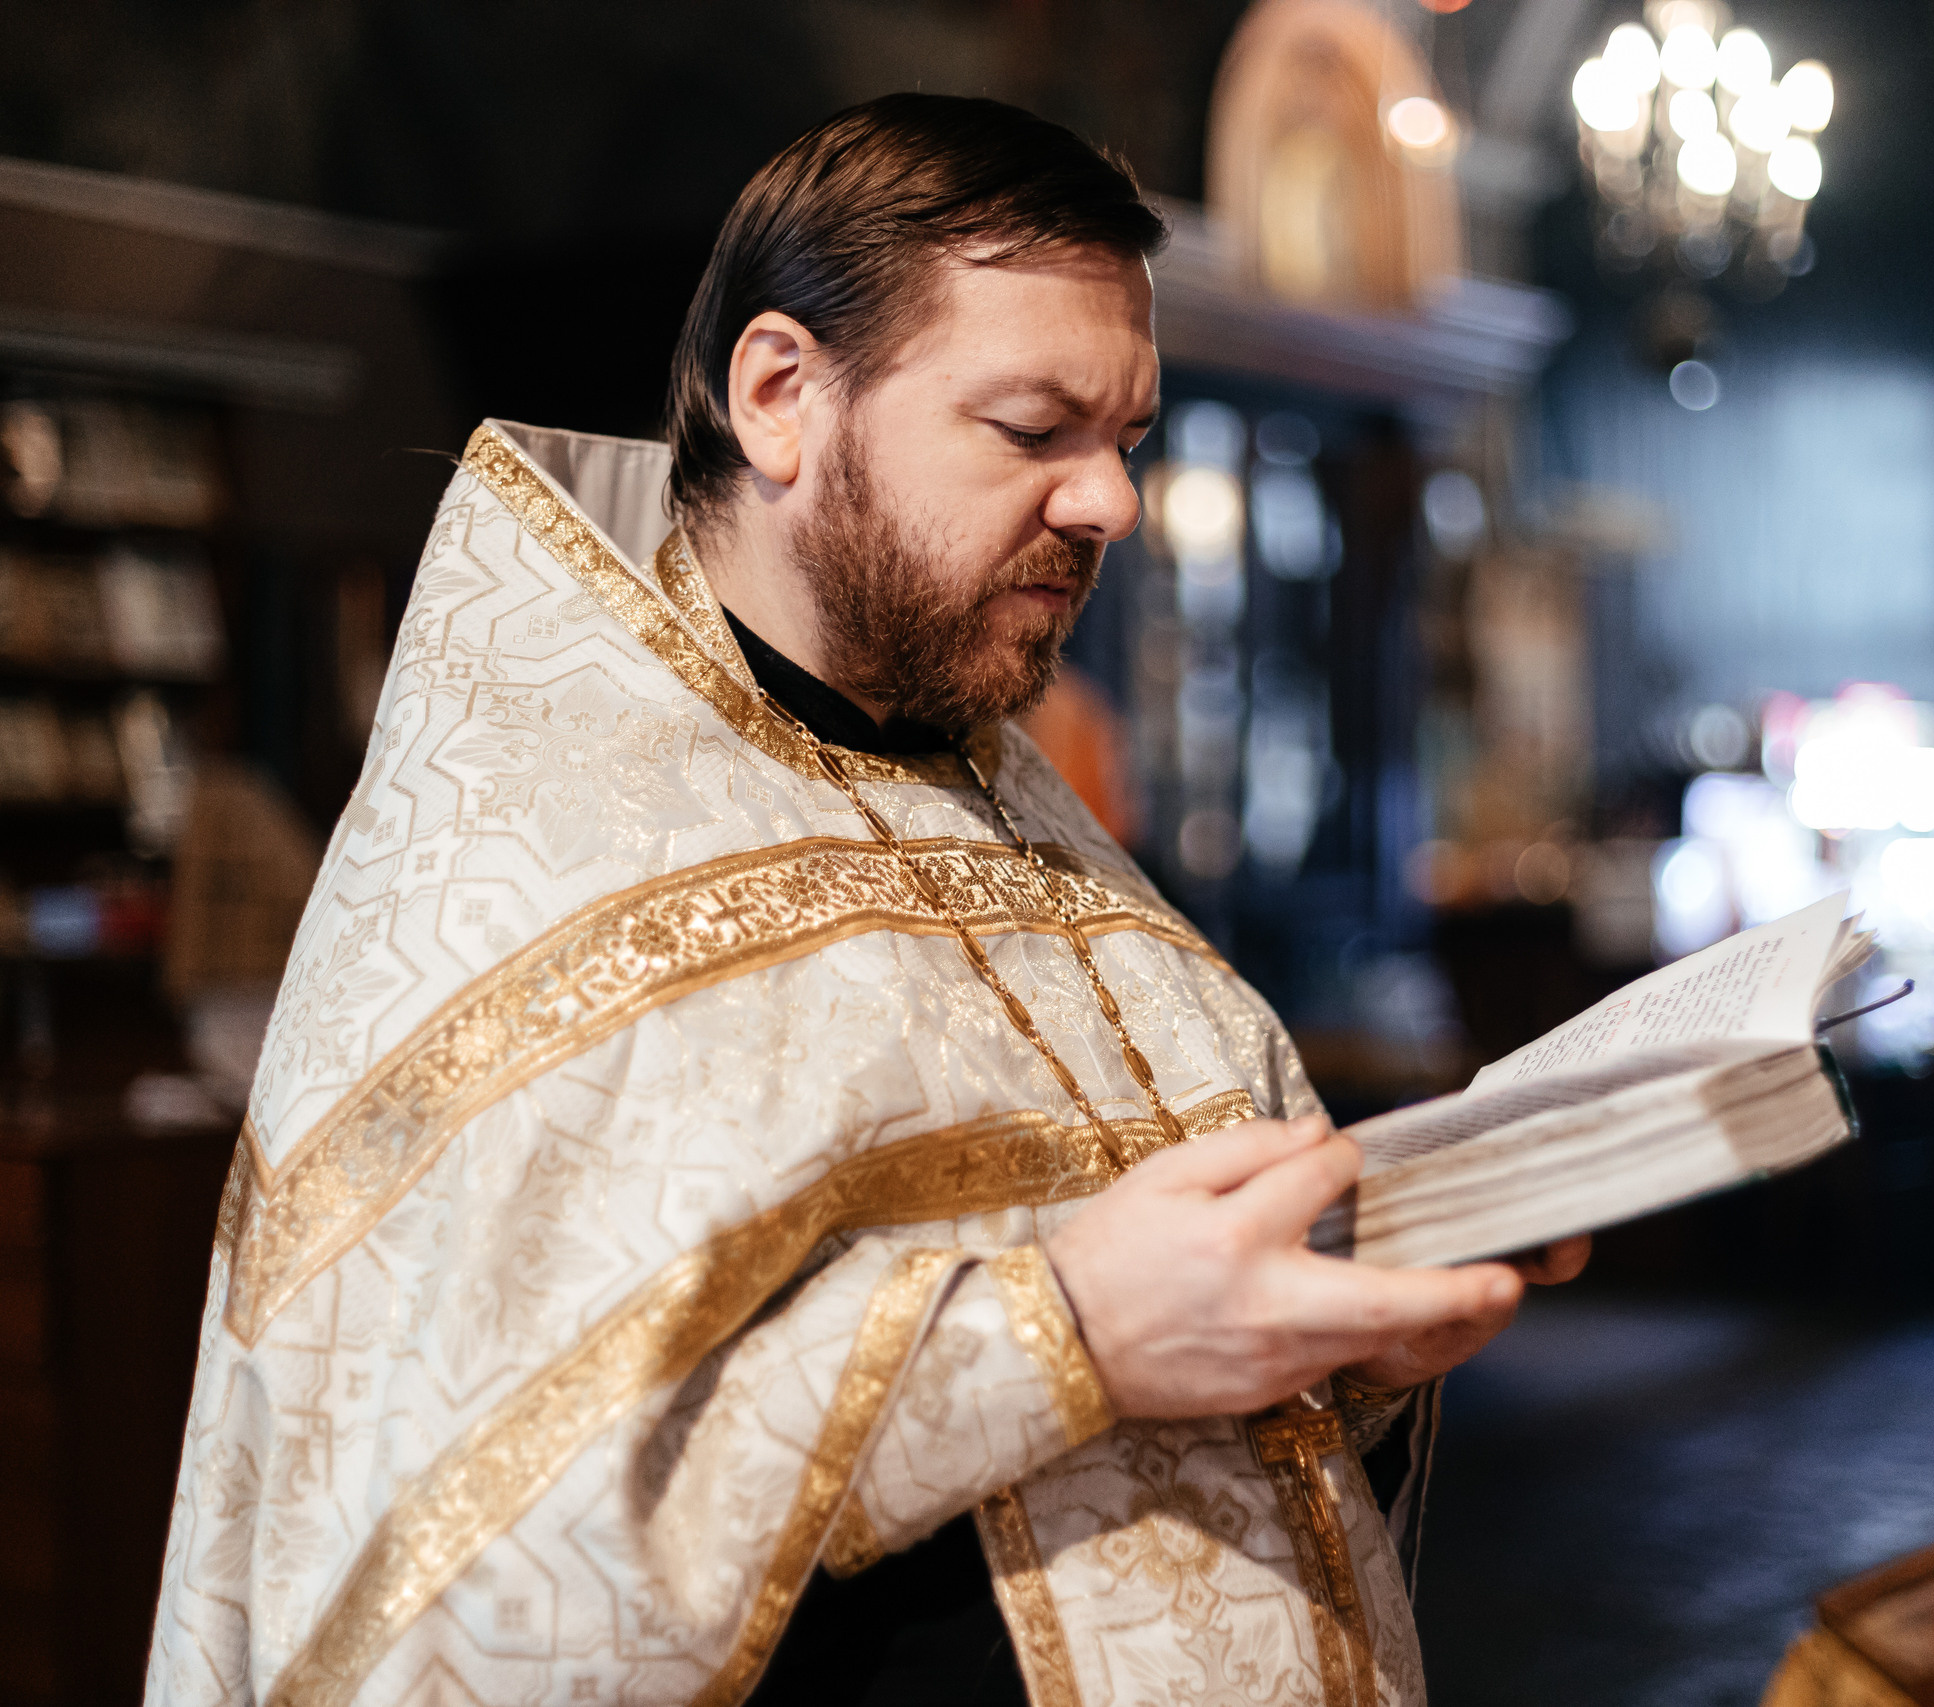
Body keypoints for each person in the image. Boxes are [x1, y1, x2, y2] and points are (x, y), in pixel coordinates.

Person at [145, 93, 1587, 1707]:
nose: (1110, 503)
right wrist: (1064, 1338)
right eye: (1032, 428)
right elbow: (467, 1567)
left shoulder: (1009, 809)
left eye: (1126, 440)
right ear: (781, 396)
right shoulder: (524, 870)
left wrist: (1346, 1331)